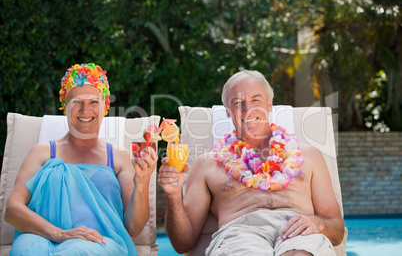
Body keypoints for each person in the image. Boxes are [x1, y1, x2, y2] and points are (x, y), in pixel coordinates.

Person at [158, 70, 345, 256]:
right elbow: (183, 244)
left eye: (256, 100)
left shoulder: (309, 155)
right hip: (240, 235)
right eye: (238, 103)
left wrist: (319, 224)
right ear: (227, 110)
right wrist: (173, 195)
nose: (249, 110)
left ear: (270, 104)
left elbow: (336, 228)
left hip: (299, 232)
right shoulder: (207, 164)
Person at [4, 63, 157, 256]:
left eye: (93, 102)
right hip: (41, 237)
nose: (85, 110)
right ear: (64, 105)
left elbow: (134, 228)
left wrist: (142, 183)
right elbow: (12, 209)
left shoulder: (119, 157)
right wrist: (59, 233)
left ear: (105, 106)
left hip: (98, 242)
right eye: (76, 101)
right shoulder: (42, 152)